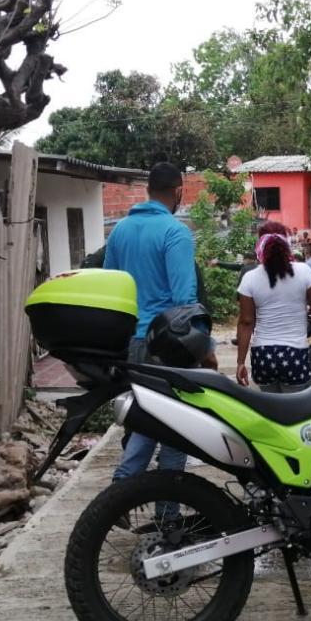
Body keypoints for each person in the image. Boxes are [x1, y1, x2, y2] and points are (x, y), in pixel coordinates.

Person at [103, 161, 208, 481]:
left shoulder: (120, 230)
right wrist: (201, 346)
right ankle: (168, 513)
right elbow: (184, 299)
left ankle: (123, 487)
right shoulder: (175, 232)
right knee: (177, 428)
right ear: (178, 191)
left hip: (133, 342)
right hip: (168, 344)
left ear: (148, 190)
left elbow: (110, 285)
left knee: (148, 419)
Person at [236, 222, 311, 392]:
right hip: (295, 354)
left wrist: (240, 362)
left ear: (261, 244)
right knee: (295, 411)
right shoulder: (304, 271)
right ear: (286, 243)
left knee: (270, 409)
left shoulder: (250, 278)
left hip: (263, 355)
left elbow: (246, 322)